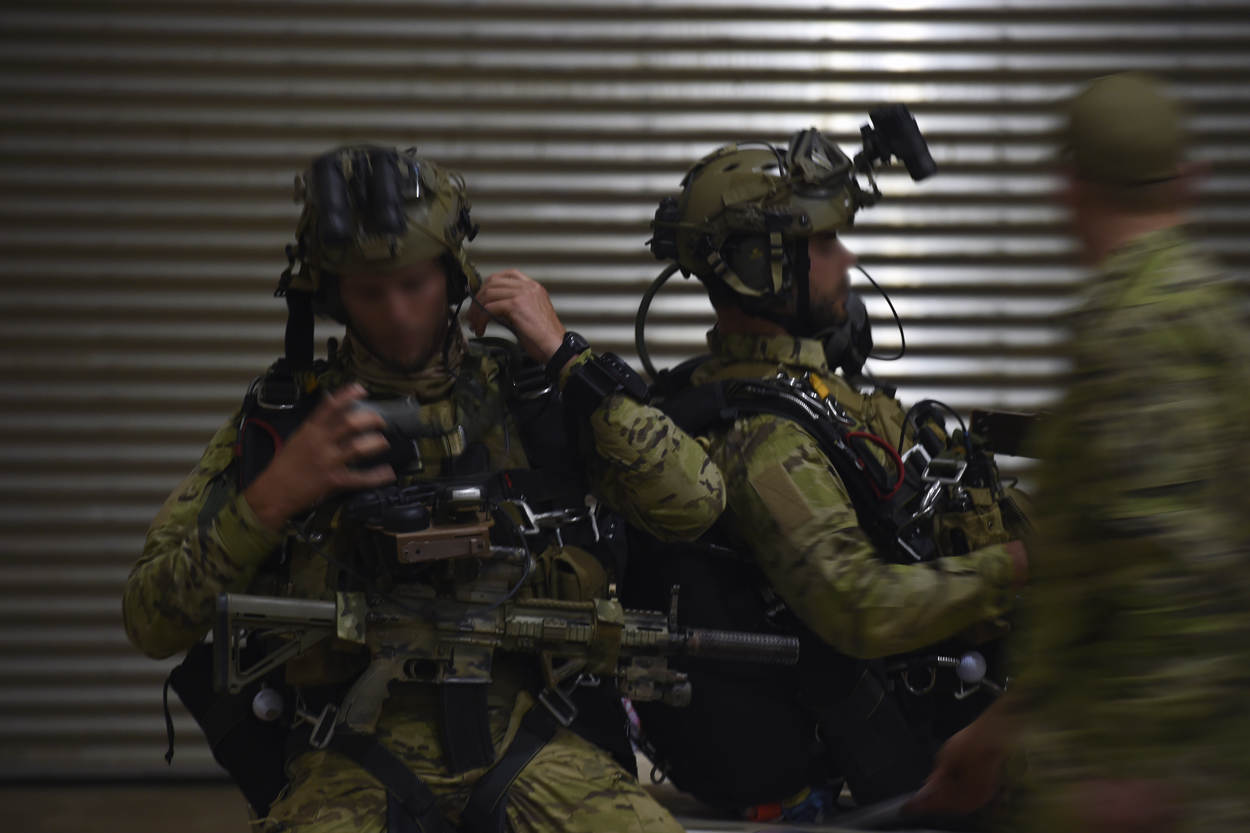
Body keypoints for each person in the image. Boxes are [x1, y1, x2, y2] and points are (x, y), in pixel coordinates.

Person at [122, 145, 727, 833]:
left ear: (453, 273)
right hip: (346, 756)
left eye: (416, 284)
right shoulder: (287, 418)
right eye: (370, 292)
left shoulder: (531, 394)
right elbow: (151, 619)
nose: (400, 313)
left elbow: (695, 503)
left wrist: (567, 354)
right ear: (331, 294)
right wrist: (270, 499)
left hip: (538, 741)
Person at [624, 115, 1030, 820]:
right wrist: (1020, 567)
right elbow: (859, 605)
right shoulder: (763, 439)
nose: (845, 259)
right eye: (824, 243)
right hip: (910, 761)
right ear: (763, 266)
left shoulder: (811, 393)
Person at [906, 72, 1250, 832]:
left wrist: (1133, 775)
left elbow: (1163, 567)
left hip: (1141, 771)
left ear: (1070, 189)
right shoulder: (1214, 312)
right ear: (1189, 181)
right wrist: (996, 737)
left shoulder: (1135, 333)